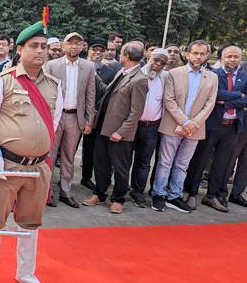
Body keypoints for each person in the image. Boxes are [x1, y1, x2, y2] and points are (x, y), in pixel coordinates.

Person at [0, 15, 62, 283]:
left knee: (30, 222)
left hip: (38, 167)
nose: (40, 51)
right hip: (5, 164)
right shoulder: (3, 82)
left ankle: (26, 274)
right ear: (20, 50)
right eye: (33, 45)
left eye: (44, 46)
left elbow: (54, 122)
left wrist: (39, 149)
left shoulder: (55, 85)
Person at [151, 40, 218, 212]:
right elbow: (169, 100)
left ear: (207, 56)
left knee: (182, 164)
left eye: (202, 53)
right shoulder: (174, 74)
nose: (198, 56)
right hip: (173, 124)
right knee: (164, 162)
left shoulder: (212, 77)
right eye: (195, 53)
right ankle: (158, 194)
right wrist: (185, 122)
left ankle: (174, 195)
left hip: (195, 129)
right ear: (187, 54)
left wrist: (193, 124)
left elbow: (209, 105)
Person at [82, 42, 148, 214]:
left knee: (120, 167)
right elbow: (106, 91)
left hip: (119, 133)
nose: (119, 55)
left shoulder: (139, 79)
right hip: (104, 127)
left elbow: (136, 112)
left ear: (126, 56)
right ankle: (100, 193)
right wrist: (93, 74)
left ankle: (118, 199)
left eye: (121, 53)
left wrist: (121, 132)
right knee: (101, 163)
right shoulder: (122, 72)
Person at [183, 44, 247, 212]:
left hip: (232, 128)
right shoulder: (212, 75)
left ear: (240, 60)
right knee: (200, 161)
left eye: (236, 57)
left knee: (221, 164)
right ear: (221, 59)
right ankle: (191, 194)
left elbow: (245, 100)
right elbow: (214, 95)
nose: (233, 60)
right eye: (229, 56)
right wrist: (237, 96)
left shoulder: (244, 77)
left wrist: (224, 103)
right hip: (211, 126)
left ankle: (211, 196)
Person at [43, 32, 96, 208]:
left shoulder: (88, 67)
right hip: (55, 118)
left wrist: (89, 121)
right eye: (70, 43)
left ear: (82, 47)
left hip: (75, 118)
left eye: (77, 43)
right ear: (63, 46)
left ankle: (66, 192)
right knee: (49, 156)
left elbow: (90, 95)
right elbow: (46, 94)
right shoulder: (51, 65)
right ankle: (47, 192)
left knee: (69, 157)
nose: (74, 46)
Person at [127, 49, 168, 208]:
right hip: (132, 125)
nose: (158, 64)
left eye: (162, 63)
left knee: (144, 163)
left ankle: (137, 191)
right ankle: (121, 190)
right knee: (125, 160)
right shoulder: (136, 74)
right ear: (148, 57)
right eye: (156, 60)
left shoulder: (165, 79)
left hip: (151, 127)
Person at [81, 38, 118, 191]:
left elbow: (107, 93)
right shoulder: (81, 67)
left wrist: (95, 110)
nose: (98, 53)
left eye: (101, 50)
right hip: (77, 113)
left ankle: (87, 177)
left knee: (92, 148)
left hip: (97, 115)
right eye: (94, 49)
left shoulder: (110, 71)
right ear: (88, 50)